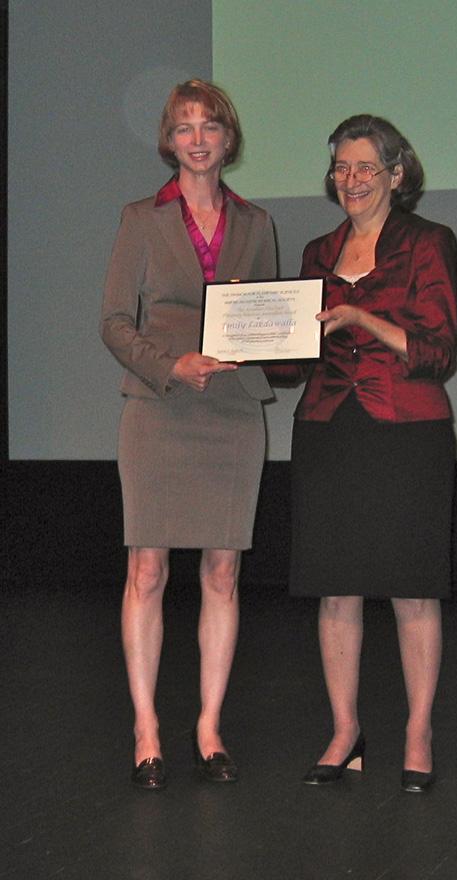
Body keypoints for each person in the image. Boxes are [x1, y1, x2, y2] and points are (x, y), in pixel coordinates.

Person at [101, 80, 277, 789]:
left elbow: (266, 321)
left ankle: (208, 725)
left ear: (228, 139)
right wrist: (170, 363)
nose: (197, 138)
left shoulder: (257, 223)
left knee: (223, 572)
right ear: (168, 140)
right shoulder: (140, 218)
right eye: (183, 127)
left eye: (209, 126)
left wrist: (284, 337)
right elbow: (114, 322)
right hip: (159, 407)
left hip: (232, 413)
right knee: (146, 570)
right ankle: (146, 726)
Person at [279, 115, 457, 792]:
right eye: (339, 167)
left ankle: (417, 730)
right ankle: (344, 730)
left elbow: (437, 354)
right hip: (328, 427)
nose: (349, 180)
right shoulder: (316, 251)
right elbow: (293, 368)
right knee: (336, 589)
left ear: (396, 174)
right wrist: (256, 333)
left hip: (406, 429)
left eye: (364, 167)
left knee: (412, 589)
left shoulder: (428, 243)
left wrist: (361, 319)